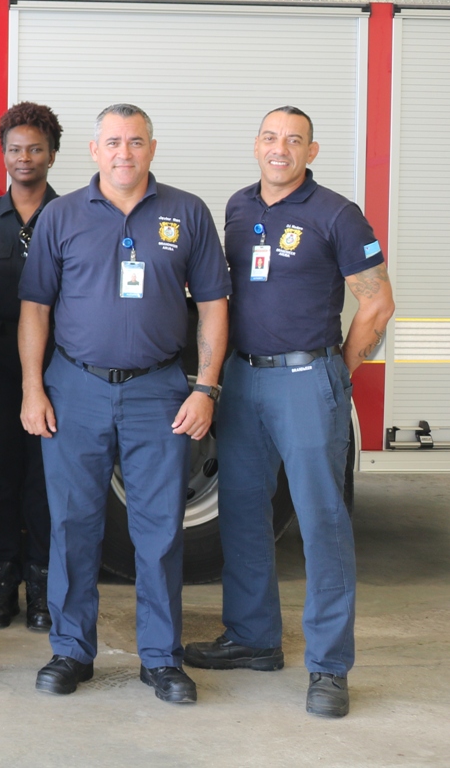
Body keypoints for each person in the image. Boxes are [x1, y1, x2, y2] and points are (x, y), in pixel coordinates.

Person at [184, 107, 393, 719]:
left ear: (312, 150)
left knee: (322, 521)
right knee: (243, 513)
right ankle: (253, 638)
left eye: (294, 140)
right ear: (256, 145)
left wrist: (338, 372)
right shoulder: (239, 206)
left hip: (308, 377)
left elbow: (377, 304)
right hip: (243, 379)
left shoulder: (338, 214)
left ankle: (329, 667)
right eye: (271, 138)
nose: (281, 149)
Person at [19, 103, 227, 706]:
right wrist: (34, 388)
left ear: (152, 149)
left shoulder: (187, 213)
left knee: (158, 530)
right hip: (74, 389)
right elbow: (35, 309)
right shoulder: (61, 216)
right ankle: (70, 650)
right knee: (73, 524)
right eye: (113, 142)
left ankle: (161, 658)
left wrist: (206, 386)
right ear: (94, 150)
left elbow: (214, 305)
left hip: (158, 391)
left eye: (135, 142)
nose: (124, 153)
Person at [0, 102, 62, 633]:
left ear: (52, 154)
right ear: (2, 155)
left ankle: (45, 587)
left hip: (57, 366)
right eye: (15, 149)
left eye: (35, 148)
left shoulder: (75, 213)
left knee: (47, 480)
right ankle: (2, 583)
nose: (24, 157)